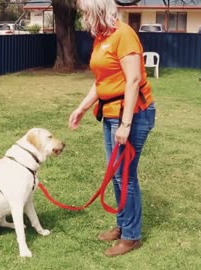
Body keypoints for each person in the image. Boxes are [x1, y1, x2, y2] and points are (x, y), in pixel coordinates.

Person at [68, 0, 156, 257]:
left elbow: (133, 80)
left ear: (97, 10)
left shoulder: (124, 35)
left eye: (86, 12)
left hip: (133, 114)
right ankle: (122, 224)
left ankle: (131, 236)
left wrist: (126, 124)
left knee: (126, 176)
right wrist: (81, 108)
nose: (83, 17)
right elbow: (102, 81)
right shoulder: (102, 37)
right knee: (116, 176)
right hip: (110, 113)